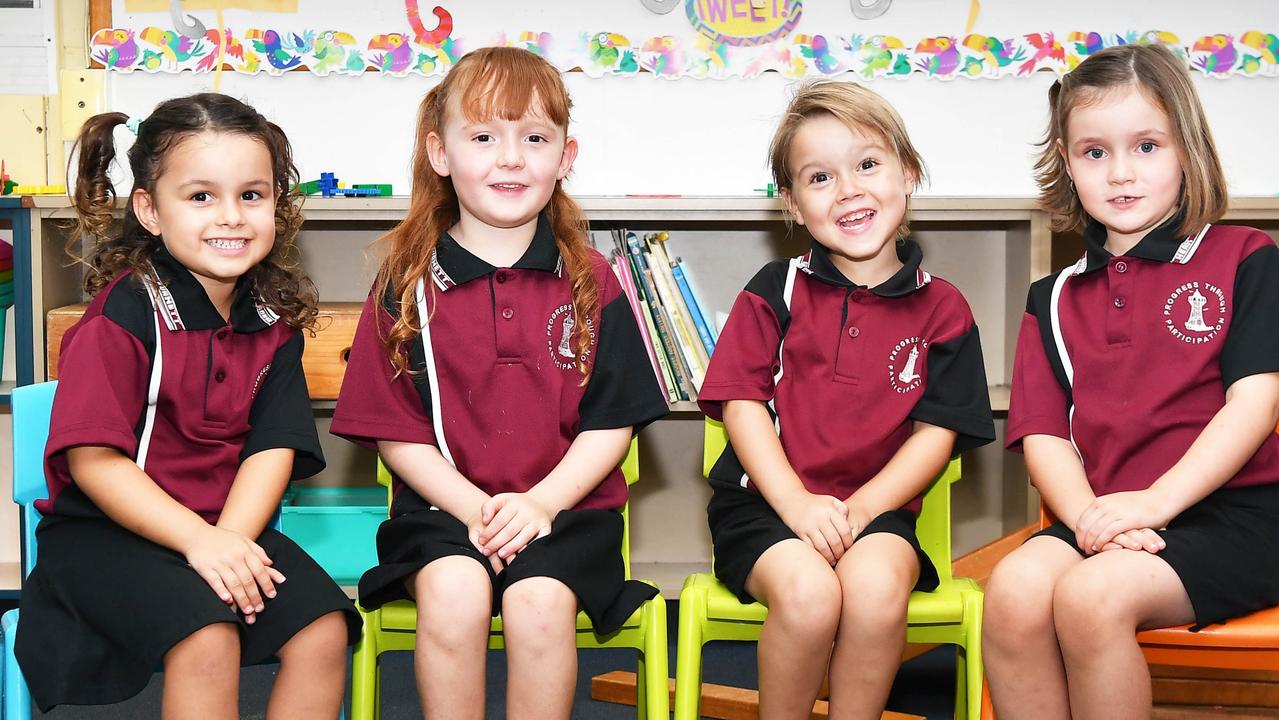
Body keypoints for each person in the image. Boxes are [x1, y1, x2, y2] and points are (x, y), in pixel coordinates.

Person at [330, 46, 668, 720]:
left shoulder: (594, 281)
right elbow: (395, 434)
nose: (510, 159)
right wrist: (475, 511)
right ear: (440, 152)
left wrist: (540, 505)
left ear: (566, 157)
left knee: (538, 604)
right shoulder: (406, 282)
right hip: (441, 514)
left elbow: (612, 424)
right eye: (483, 136)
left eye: (534, 138)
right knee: (452, 592)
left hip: (565, 513)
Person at [14, 93, 360, 718]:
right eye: (201, 196)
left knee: (325, 628)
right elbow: (95, 462)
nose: (231, 216)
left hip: (222, 529)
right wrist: (201, 545)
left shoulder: (273, 322)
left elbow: (272, 448)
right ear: (149, 209)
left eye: (252, 196)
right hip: (107, 535)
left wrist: (226, 542)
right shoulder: (120, 318)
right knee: (208, 635)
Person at [985, 43, 1279, 720]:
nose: (1120, 173)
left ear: (1186, 149)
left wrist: (1155, 502)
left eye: (1145, 146)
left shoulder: (1246, 258)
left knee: (1091, 598)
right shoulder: (1050, 297)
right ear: (1067, 162)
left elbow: (1254, 402)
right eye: (1094, 153)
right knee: (1012, 592)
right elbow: (1042, 436)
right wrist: (1094, 521)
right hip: (1104, 517)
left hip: (1239, 519)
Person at [697, 80, 995, 719]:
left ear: (908, 173)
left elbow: (936, 436)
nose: (850, 189)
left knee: (876, 590)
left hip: (878, 513)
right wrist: (798, 506)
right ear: (795, 206)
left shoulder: (945, 308)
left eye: (867, 164)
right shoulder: (773, 289)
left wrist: (858, 512)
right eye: (820, 177)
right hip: (765, 508)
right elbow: (741, 406)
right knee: (808, 596)